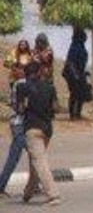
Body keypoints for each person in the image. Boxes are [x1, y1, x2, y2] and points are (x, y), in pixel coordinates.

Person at [16, 61, 59, 205]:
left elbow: (20, 109)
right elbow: (56, 107)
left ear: (26, 74)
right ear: (39, 72)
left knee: (39, 161)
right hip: (47, 129)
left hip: (32, 128)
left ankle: (53, 195)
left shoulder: (22, 87)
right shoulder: (50, 87)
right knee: (34, 161)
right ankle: (28, 193)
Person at [0, 61, 29, 197]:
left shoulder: (17, 84)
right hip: (20, 124)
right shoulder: (21, 84)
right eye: (19, 69)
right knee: (18, 157)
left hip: (18, 124)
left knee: (32, 156)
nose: (21, 71)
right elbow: (20, 107)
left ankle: (35, 185)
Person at [62, 28, 91, 121]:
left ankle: (78, 113)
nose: (85, 38)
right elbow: (70, 62)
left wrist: (84, 72)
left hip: (79, 73)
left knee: (81, 94)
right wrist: (75, 74)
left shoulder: (81, 46)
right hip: (72, 74)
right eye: (84, 36)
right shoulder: (74, 47)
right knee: (74, 94)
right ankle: (72, 115)